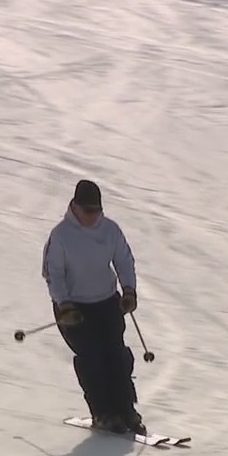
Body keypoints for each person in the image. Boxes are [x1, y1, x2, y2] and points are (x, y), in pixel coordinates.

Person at [41, 179, 145, 435]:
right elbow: (53, 273)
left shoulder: (110, 230)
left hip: (107, 301)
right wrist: (64, 304)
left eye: (97, 211)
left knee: (116, 355)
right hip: (74, 308)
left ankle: (126, 410)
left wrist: (129, 290)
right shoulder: (61, 236)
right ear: (75, 207)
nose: (93, 216)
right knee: (92, 358)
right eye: (88, 211)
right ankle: (103, 412)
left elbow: (123, 259)